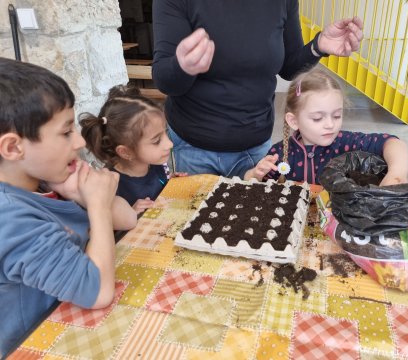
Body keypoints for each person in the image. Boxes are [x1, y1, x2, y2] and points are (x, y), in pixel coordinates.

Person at [0, 57, 136, 357]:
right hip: (38, 345)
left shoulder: (44, 180)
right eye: (65, 132)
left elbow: (129, 220)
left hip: (74, 323)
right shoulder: (8, 217)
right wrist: (97, 207)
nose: (80, 142)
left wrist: (84, 197)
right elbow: (98, 292)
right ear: (13, 147)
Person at [152, 0, 363, 178]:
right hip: (194, 150)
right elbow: (166, 81)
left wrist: (318, 47)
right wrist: (182, 67)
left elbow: (289, 67)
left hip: (256, 148)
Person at [244, 65, 408, 186]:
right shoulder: (279, 153)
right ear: (294, 121)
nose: (330, 124)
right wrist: (255, 174)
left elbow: (393, 143)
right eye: (317, 118)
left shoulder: (346, 143)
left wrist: (397, 173)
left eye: (337, 115)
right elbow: (252, 182)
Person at [80, 85, 176, 214]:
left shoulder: (155, 162)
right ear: (126, 152)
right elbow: (106, 225)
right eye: (157, 141)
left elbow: (159, 186)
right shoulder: (111, 186)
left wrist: (171, 183)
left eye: (166, 133)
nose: (169, 144)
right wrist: (130, 213)